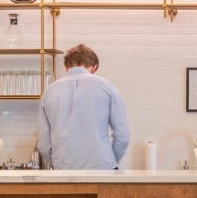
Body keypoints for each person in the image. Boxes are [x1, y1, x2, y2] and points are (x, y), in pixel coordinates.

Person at [38, 43, 129, 171]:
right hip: (102, 169)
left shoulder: (49, 92)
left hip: (63, 171)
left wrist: (58, 163)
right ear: (93, 67)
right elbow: (122, 137)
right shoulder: (108, 88)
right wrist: (109, 163)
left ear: (66, 67)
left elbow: (44, 145)